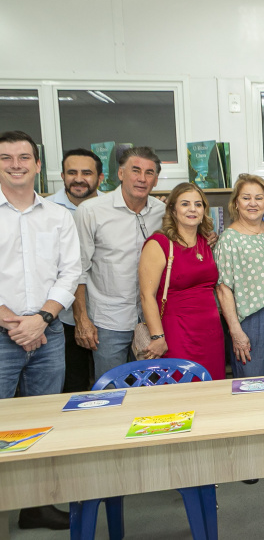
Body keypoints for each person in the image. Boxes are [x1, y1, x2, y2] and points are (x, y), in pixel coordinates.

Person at [0, 131, 81, 530]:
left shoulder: (58, 216)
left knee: (43, 421)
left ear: (36, 164)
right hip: (3, 332)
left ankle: (36, 505)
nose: (15, 164)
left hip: (47, 334)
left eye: (23, 157)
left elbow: (70, 272)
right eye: (5, 157)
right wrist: (12, 321)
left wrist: (42, 319)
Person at [73, 147, 166, 380]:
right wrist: (82, 319)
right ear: (121, 174)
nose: (142, 178)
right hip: (108, 322)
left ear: (155, 180)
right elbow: (77, 270)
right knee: (111, 390)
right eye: (135, 171)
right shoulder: (90, 212)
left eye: (149, 173)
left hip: (151, 321)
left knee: (149, 389)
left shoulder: (163, 212)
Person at [138, 182, 225, 379]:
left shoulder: (206, 241)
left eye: (198, 204)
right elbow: (146, 295)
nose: (192, 209)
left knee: (212, 390)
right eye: (185, 204)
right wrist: (158, 337)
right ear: (173, 210)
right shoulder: (158, 244)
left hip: (211, 334)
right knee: (180, 389)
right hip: (176, 334)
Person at [215, 174, 264, 377]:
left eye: (259, 198)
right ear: (236, 203)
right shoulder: (228, 239)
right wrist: (235, 330)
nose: (253, 203)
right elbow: (223, 289)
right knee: (253, 380)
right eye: (246, 197)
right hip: (251, 317)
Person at [49, 148, 103, 392]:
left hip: (106, 317)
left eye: (86, 172)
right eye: (72, 172)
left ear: (100, 178)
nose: (78, 178)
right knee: (73, 386)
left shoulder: (111, 207)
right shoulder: (47, 210)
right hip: (63, 318)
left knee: (110, 384)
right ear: (62, 175)